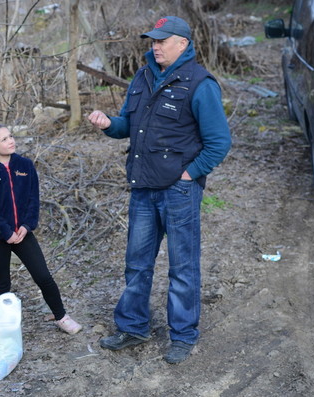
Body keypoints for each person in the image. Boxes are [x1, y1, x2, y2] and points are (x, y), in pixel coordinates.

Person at [88, 16, 231, 364]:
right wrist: (109, 124)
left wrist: (190, 174)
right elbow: (127, 126)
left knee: (183, 267)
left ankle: (183, 335)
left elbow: (219, 142)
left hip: (178, 191)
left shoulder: (199, 83)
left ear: (182, 44)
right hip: (142, 189)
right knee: (137, 264)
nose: (155, 45)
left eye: (162, 41)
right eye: (153, 40)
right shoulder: (142, 76)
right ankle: (134, 326)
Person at [0, 124, 83, 335]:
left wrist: (26, 227)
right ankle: (2, 328)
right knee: (1, 283)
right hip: (0, 235)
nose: (10, 141)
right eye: (3, 139)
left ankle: (61, 316)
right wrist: (5, 231)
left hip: (23, 233)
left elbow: (32, 200)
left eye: (10, 136)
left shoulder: (25, 165)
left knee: (43, 276)